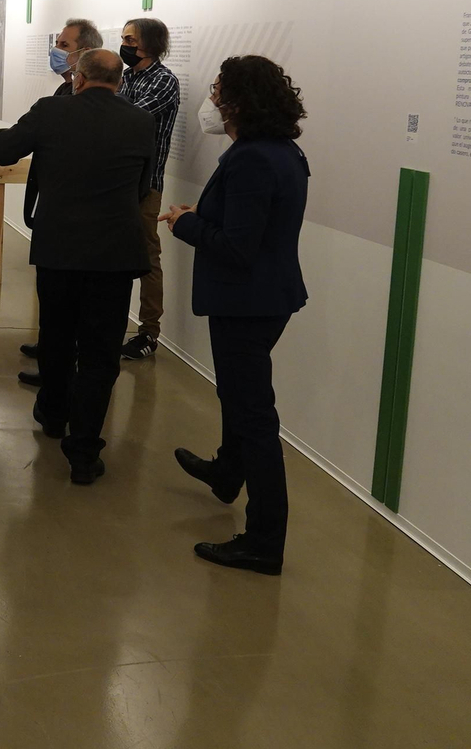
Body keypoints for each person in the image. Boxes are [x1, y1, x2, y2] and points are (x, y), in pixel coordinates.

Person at [0, 49, 154, 484]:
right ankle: (85, 451)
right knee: (101, 352)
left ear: (79, 79)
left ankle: (53, 414)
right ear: (119, 82)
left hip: (60, 248)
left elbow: (4, 151)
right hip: (114, 253)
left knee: (58, 331)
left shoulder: (53, 110)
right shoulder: (141, 121)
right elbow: (142, 185)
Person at [162, 56, 309, 575]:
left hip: (248, 301)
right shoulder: (280, 151)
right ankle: (227, 471)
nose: (212, 100)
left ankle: (264, 540)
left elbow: (238, 247)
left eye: (219, 91)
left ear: (240, 102)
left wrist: (186, 223)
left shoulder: (251, 160)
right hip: (263, 298)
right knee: (240, 396)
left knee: (254, 417)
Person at [17, 17, 105, 375]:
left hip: (79, 222)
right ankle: (54, 350)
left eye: (64, 46)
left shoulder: (105, 105)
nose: (56, 52)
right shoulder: (60, 94)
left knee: (73, 298)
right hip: (58, 216)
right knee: (55, 300)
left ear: (85, 54)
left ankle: (61, 369)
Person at [118, 18, 181, 361]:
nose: (125, 44)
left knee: (146, 256)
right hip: (118, 183)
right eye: (124, 38)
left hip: (145, 185)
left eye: (131, 39)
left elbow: (124, 118)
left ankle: (148, 332)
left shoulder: (164, 81)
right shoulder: (127, 77)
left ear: (150, 44)